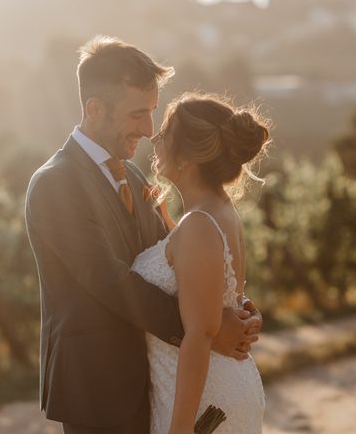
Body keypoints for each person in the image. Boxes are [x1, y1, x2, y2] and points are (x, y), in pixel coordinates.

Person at [25, 36, 262, 434]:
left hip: (154, 381)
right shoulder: (55, 184)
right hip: (98, 389)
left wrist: (234, 307)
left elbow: (178, 262)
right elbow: (108, 279)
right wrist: (206, 327)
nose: (149, 130)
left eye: (152, 113)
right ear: (95, 109)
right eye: (138, 115)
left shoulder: (133, 176)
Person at [135, 91, 269, 433]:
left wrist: (179, 430)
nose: (154, 138)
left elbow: (198, 338)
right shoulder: (215, 213)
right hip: (220, 387)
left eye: (165, 132)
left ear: (187, 158)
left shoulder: (198, 225)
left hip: (202, 403)